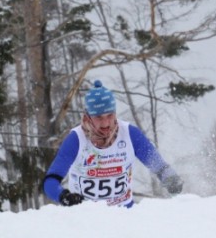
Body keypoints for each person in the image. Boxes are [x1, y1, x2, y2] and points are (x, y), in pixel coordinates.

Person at [42, 80, 184, 207]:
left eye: (109, 115)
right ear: (88, 117)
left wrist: (170, 178)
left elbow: (158, 165)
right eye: (98, 117)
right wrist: (64, 196)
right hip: (85, 217)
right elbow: (50, 181)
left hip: (123, 215)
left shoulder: (130, 134)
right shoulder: (76, 139)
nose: (105, 123)